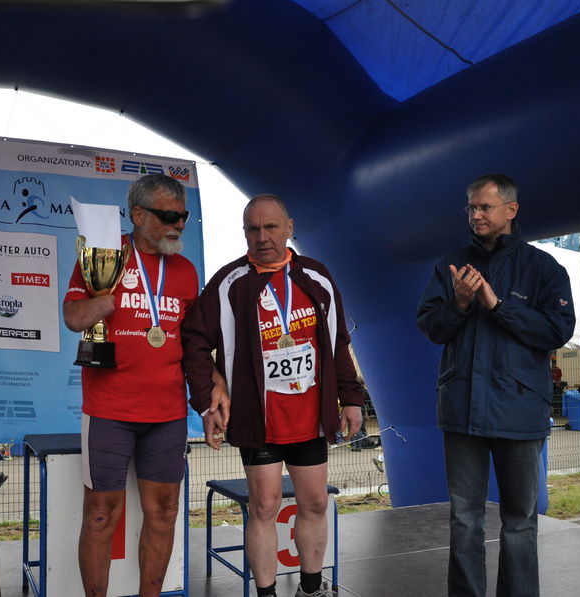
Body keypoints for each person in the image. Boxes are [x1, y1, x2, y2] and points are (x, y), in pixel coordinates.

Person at [182, 193, 363, 597]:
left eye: (271, 227)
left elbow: (338, 340)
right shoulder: (229, 282)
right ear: (245, 232)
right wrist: (208, 396)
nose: (262, 236)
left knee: (315, 502)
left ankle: (311, 588)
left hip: (309, 416)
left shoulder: (316, 276)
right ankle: (265, 593)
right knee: (264, 506)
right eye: (253, 229)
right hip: (257, 418)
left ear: (289, 228)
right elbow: (193, 339)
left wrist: (351, 398)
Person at [417, 174, 575, 597]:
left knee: (520, 522)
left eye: (485, 207)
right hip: (462, 410)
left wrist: (497, 305)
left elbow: (557, 331)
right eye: (471, 207)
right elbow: (431, 327)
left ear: (511, 209)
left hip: (520, 412)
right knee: (464, 519)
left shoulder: (544, 269)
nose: (476, 215)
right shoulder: (450, 265)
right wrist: (460, 303)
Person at [63, 174, 219, 597]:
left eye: (183, 216)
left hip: (167, 414)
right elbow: (74, 318)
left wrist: (214, 390)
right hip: (109, 410)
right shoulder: (104, 257)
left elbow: (194, 344)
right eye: (168, 216)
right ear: (137, 214)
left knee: (164, 512)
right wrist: (105, 301)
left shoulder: (186, 271)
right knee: (100, 514)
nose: (179, 224)